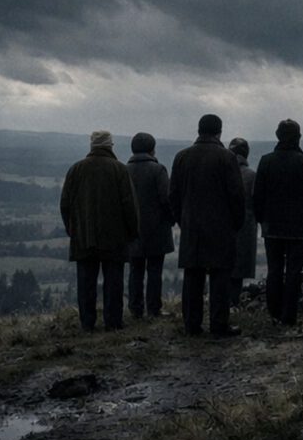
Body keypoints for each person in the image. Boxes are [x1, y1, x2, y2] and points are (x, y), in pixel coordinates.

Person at [169, 114, 245, 337]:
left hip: (191, 226)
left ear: (199, 130)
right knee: (221, 277)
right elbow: (236, 196)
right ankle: (218, 325)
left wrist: (182, 220)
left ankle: (191, 325)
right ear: (219, 132)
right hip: (221, 227)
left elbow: (173, 195)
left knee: (193, 276)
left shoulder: (181, 157)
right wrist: (235, 224)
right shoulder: (227, 157)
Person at [60, 130, 139, 332]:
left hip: (84, 236)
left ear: (92, 146)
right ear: (110, 146)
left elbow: (65, 204)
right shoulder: (119, 169)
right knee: (114, 281)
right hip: (115, 236)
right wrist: (132, 232)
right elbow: (129, 204)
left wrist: (73, 229)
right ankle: (113, 322)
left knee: (86, 282)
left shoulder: (76, 169)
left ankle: (87, 322)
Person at [253, 119, 303, 326]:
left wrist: (261, 219)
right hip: (300, 226)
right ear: (298, 137)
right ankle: (289, 315)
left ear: (277, 136)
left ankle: (274, 313)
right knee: (294, 272)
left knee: (275, 270)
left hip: (272, 225)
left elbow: (258, 195)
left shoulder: (266, 161)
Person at [126, 132, 174, 320]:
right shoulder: (158, 170)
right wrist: (170, 219)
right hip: (156, 228)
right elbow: (166, 199)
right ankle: (154, 308)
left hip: (132, 229)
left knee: (135, 271)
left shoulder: (124, 170)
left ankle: (135, 309)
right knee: (155, 270)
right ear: (152, 149)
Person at [228, 137, 258, 307]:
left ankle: (222, 304)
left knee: (222, 268)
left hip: (223, 227)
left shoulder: (221, 173)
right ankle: (234, 303)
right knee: (238, 271)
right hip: (245, 226)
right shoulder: (251, 175)